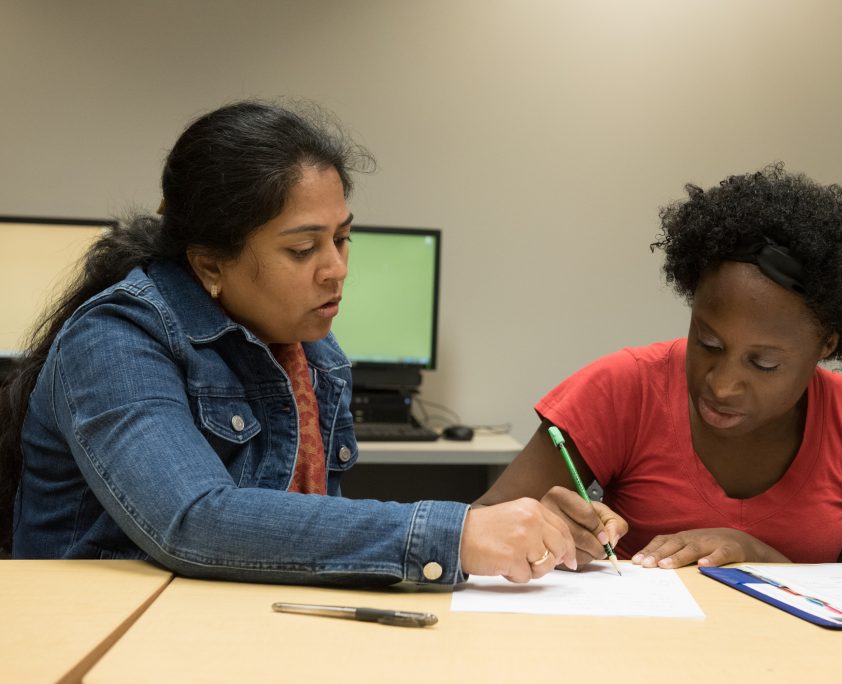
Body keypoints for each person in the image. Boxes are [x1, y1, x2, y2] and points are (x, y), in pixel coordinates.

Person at [0, 100, 575, 584]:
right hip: (101, 639)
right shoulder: (113, 339)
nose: (336, 269)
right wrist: (457, 534)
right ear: (209, 265)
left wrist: (515, 529)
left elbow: (304, 533)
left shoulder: (312, 351)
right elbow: (194, 521)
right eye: (303, 250)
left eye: (343, 239)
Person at [477, 163, 842, 570]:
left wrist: (756, 557)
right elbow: (475, 525)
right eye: (708, 343)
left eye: (764, 363)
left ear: (826, 344)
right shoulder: (623, 388)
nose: (722, 385)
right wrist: (538, 526)